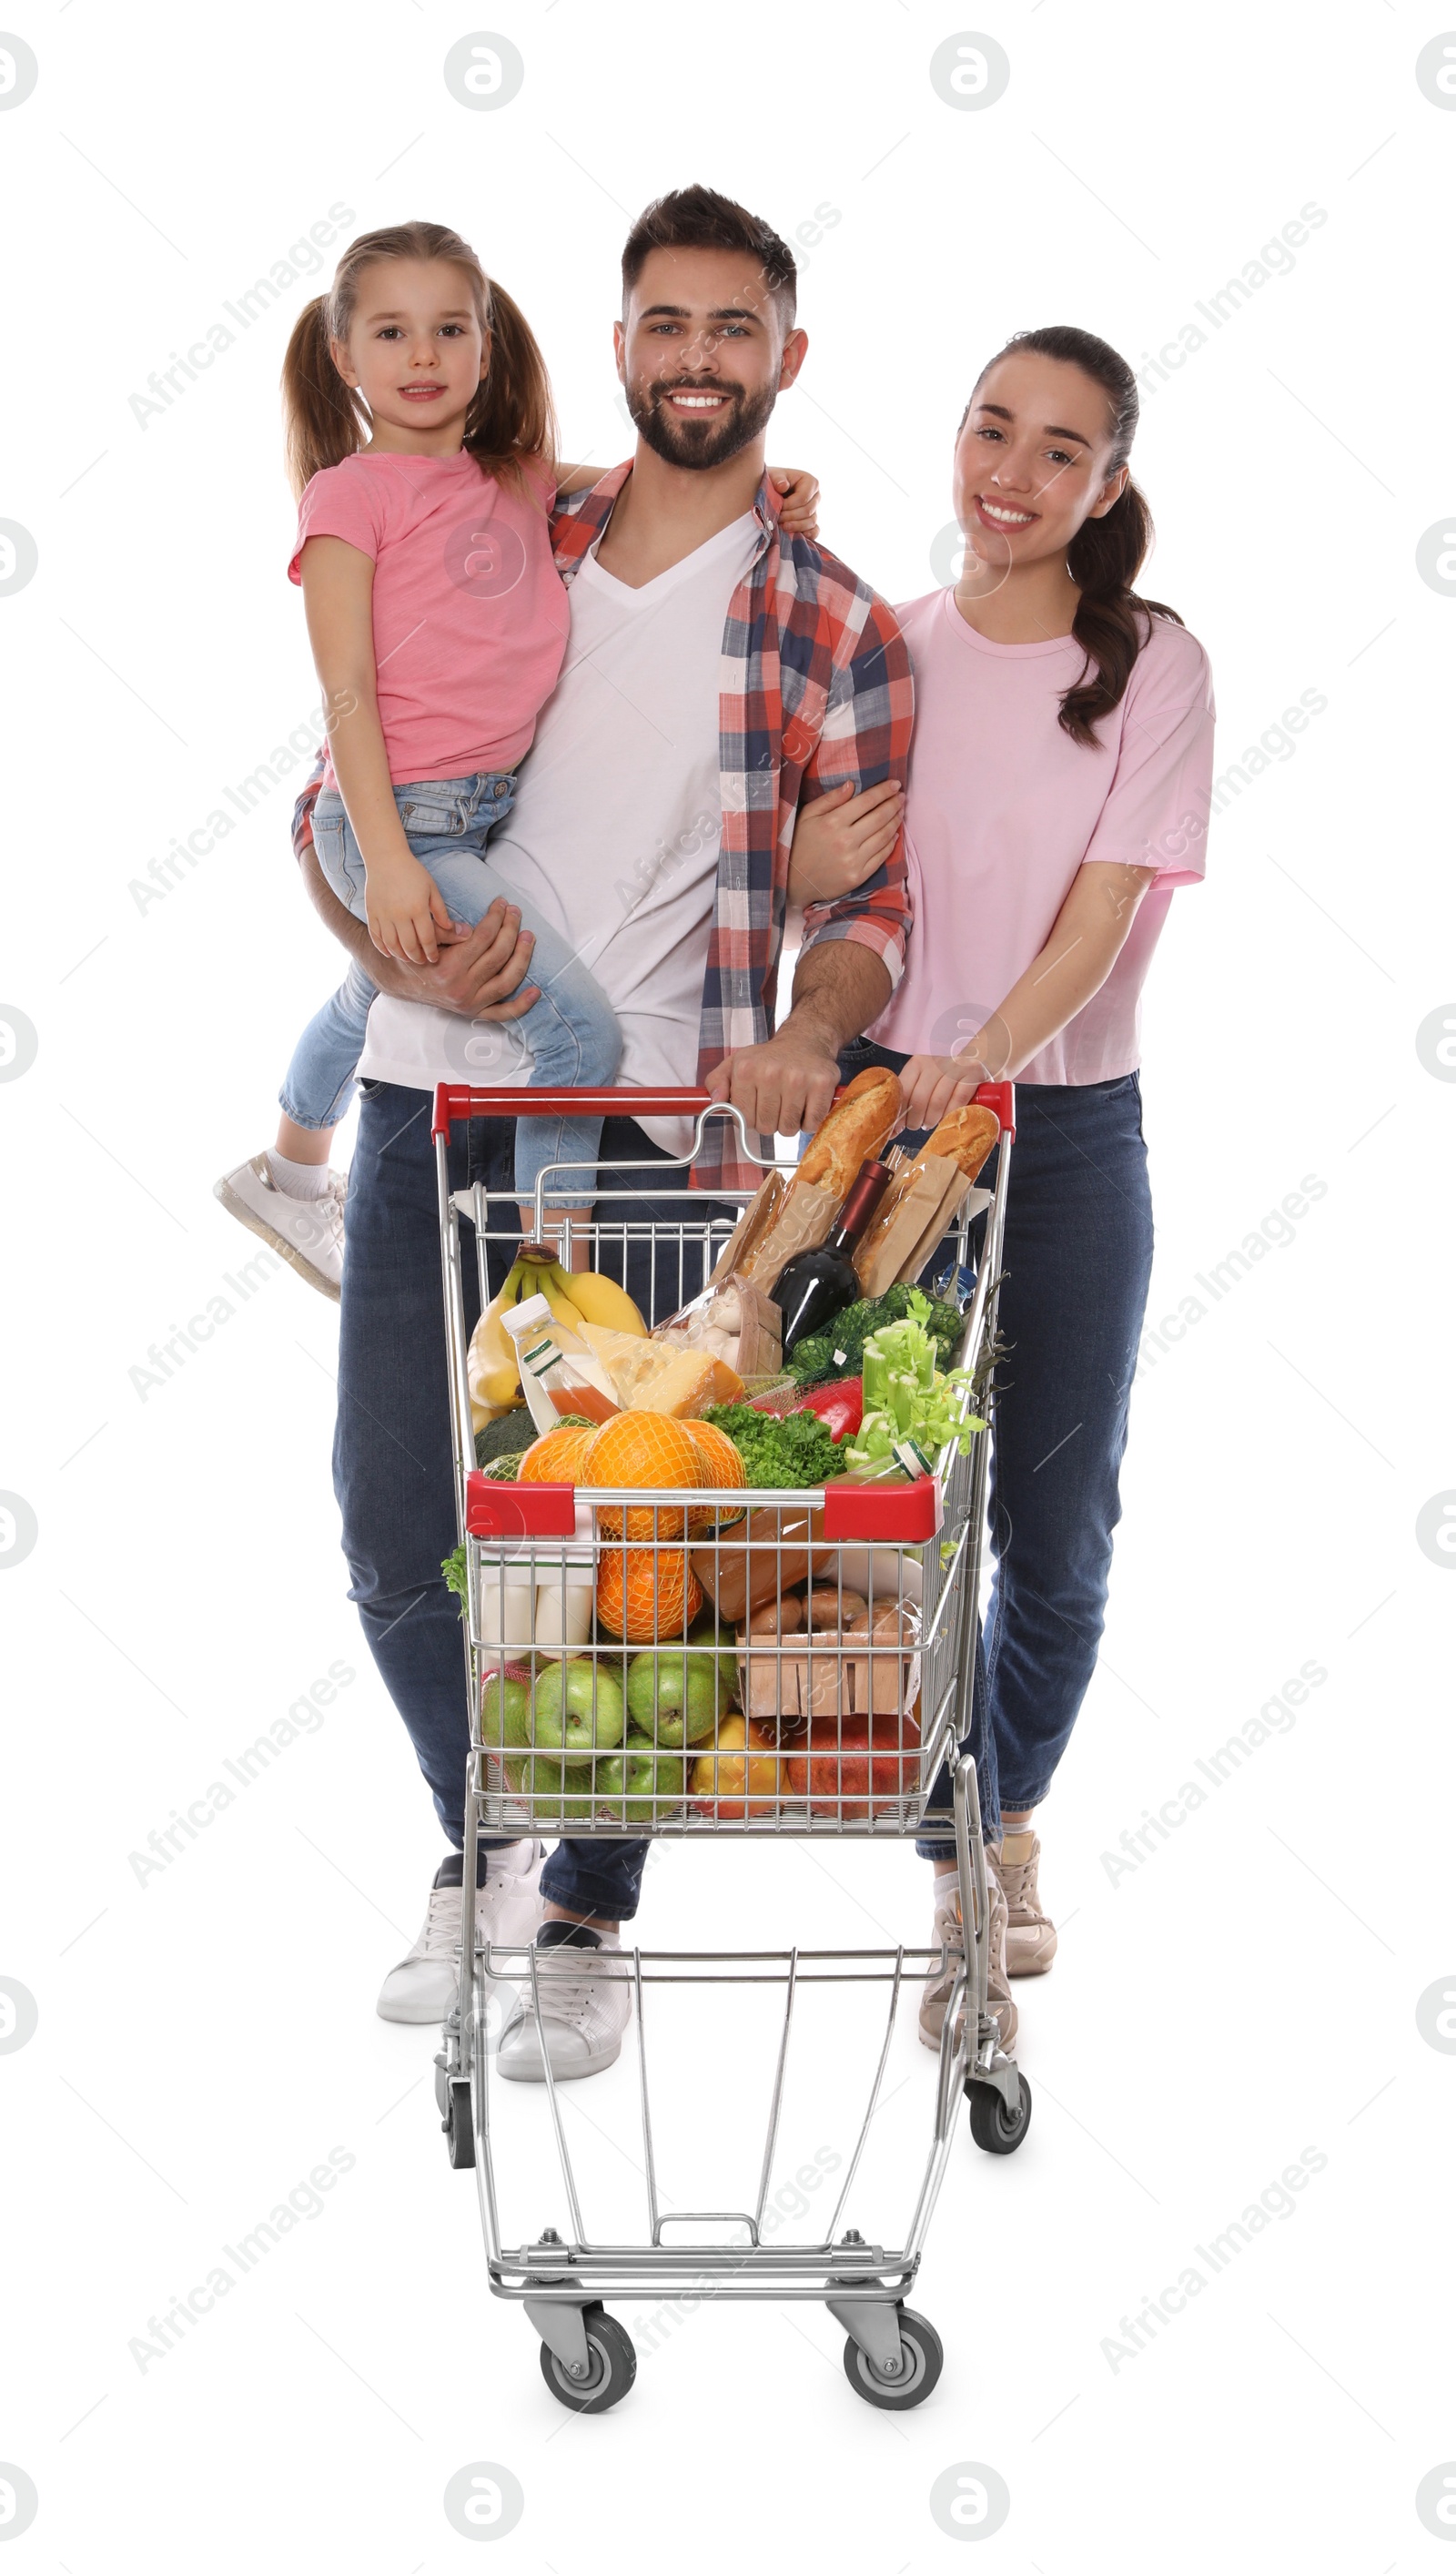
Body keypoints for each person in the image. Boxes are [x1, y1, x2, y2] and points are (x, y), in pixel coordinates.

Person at [286, 187, 915, 2082]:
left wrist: (811, 1025)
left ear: (783, 360)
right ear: (622, 342)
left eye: (735, 329)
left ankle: (582, 1910)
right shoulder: (505, 526)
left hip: (653, 1124)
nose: (698, 359)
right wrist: (387, 925)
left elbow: (871, 924)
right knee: (404, 1521)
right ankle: (473, 1835)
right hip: (425, 1095)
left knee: (625, 1533)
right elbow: (344, 777)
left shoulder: (838, 623)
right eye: (665, 324)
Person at [787, 324, 1215, 2053]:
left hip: (1064, 1126)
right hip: (880, 1126)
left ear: (1107, 485)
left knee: (1055, 1520)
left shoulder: (1153, 665)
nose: (1012, 473)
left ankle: (997, 1827)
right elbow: (811, 856)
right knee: (870, 1502)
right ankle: (863, 1787)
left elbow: (1103, 911)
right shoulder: (888, 643)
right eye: (990, 430)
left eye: (1058, 450)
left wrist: (989, 1051)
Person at [214, 219, 819, 1294]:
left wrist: (763, 494)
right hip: (397, 814)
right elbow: (345, 693)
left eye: (451, 329)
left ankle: (292, 1172)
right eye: (393, 334)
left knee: (375, 988)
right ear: (345, 358)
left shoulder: (515, 478)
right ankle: (548, 1292)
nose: (424, 357)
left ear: (486, 350)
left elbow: (634, 486)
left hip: (476, 814)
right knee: (577, 1038)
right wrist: (391, 862)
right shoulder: (348, 496)